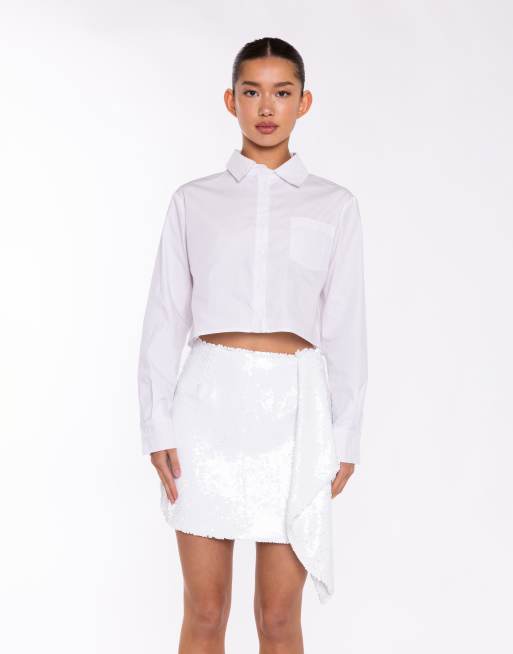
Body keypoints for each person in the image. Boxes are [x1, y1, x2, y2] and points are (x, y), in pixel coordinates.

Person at [137, 36, 368, 652]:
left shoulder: (335, 206)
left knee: (279, 617)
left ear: (304, 102)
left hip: (295, 417)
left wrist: (345, 435)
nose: (267, 107)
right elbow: (165, 317)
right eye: (252, 91)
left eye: (282, 92)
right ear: (230, 100)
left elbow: (346, 328)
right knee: (206, 611)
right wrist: (157, 424)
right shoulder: (194, 201)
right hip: (207, 410)